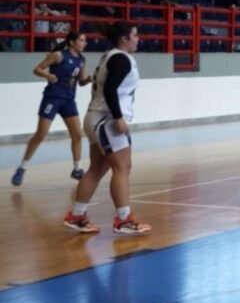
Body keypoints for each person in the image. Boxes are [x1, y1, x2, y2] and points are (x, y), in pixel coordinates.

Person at [62, 21, 151, 235]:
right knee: (122, 168)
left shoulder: (109, 56)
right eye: (135, 35)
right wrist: (119, 117)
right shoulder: (121, 59)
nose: (138, 39)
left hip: (95, 117)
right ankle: (124, 220)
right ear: (124, 39)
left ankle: (77, 215)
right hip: (107, 120)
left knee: (97, 169)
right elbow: (111, 89)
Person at [11, 30, 92, 186]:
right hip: (52, 98)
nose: (85, 43)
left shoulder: (82, 60)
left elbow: (81, 81)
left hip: (69, 100)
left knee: (77, 135)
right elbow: (37, 69)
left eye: (85, 40)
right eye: (82, 40)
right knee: (41, 135)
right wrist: (47, 75)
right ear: (72, 42)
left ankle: (77, 169)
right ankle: (22, 168)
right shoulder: (58, 55)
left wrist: (88, 80)